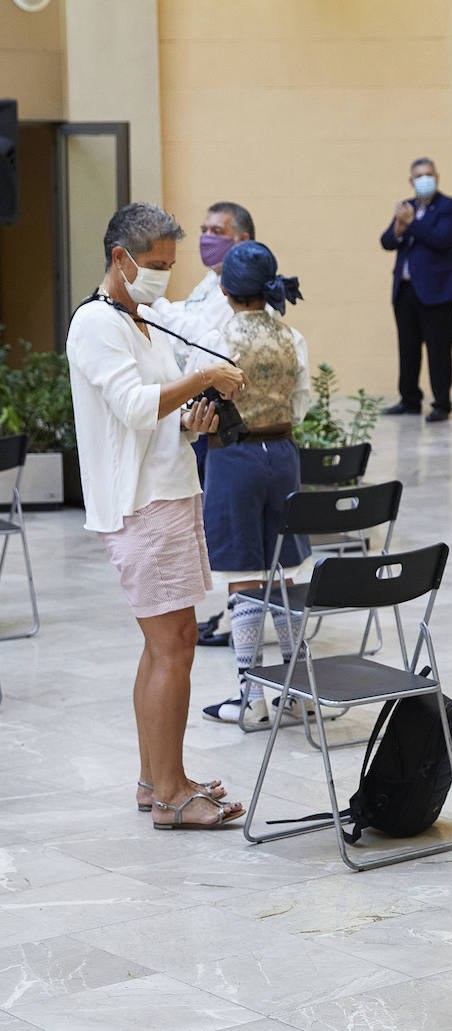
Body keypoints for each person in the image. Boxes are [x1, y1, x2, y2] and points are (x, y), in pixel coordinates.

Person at [66, 202, 247, 828]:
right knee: (174, 647)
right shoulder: (96, 325)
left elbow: (159, 414)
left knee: (164, 646)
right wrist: (202, 377)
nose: (165, 276)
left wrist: (195, 417)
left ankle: (156, 779)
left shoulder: (140, 319)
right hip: (143, 505)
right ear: (121, 258)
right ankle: (172, 795)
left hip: (169, 490)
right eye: (157, 265)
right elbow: (136, 405)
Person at [196, 241, 312, 726]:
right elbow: (302, 403)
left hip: (234, 456)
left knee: (243, 574)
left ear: (224, 288)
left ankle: (250, 696)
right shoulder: (293, 337)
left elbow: (198, 406)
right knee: (283, 571)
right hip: (283, 455)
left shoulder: (216, 336)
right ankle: (293, 692)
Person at [380, 157, 452, 422]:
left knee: (439, 350)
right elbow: (386, 242)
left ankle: (441, 403)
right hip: (405, 290)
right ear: (411, 180)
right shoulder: (407, 207)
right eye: (419, 175)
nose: (424, 179)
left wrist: (412, 223)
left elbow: (444, 240)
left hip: (438, 292)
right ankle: (409, 399)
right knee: (407, 348)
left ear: (437, 177)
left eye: (429, 174)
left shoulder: (448, 207)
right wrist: (398, 227)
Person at [144, 201, 255, 367]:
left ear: (243, 239)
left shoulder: (243, 286)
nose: (207, 238)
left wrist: (154, 302)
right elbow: (188, 310)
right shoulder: (214, 276)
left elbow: (198, 335)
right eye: (204, 231)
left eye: (216, 231)